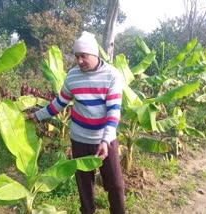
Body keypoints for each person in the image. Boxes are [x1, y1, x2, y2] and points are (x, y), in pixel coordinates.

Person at [28, 31, 125, 214]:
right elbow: (60, 103)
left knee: (115, 185)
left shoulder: (112, 75)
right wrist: (37, 116)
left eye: (84, 56)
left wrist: (105, 141)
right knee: (84, 185)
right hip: (79, 139)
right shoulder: (73, 76)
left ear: (94, 54)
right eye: (76, 56)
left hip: (105, 140)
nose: (79, 61)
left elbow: (114, 111)